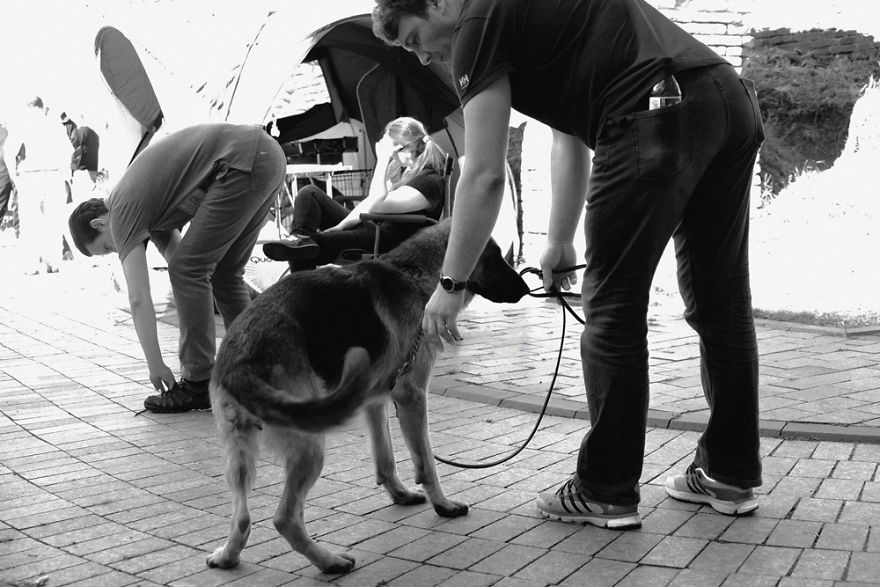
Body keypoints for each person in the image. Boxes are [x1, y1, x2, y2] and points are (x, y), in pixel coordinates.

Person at [373, 0, 764, 528]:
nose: (421, 58)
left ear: (438, 3)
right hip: (726, 98)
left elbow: (484, 172)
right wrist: (559, 239)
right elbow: (570, 132)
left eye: (414, 40)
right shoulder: (527, 14)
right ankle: (730, 473)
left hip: (650, 108)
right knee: (722, 304)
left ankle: (606, 487)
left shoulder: (475, 24)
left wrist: (450, 280)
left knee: (612, 307)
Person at [68, 123, 286, 413]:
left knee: (190, 270)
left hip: (244, 162)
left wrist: (155, 364)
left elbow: (139, 298)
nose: (115, 251)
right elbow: (185, 263)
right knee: (223, 274)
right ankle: (265, 365)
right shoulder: (147, 209)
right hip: (263, 156)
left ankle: (198, 382)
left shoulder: (122, 210)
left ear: (99, 223)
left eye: (106, 247)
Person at [262, 116, 446, 269]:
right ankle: (299, 239)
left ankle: (301, 257)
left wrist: (383, 160)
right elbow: (369, 204)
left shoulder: (429, 181)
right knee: (309, 194)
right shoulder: (406, 171)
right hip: (373, 226)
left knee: (315, 246)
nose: (392, 156)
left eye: (392, 150)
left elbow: (377, 205)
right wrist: (341, 226)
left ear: (403, 147)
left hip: (386, 240)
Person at [2, 97, 72, 273]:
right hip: (52, 174)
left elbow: (9, 152)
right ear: (42, 108)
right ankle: (53, 262)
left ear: (29, 108)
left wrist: (14, 176)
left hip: (30, 175)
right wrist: (66, 174)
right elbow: (67, 150)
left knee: (30, 221)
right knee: (53, 220)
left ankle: (31, 263)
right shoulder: (53, 124)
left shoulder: (23, 124)